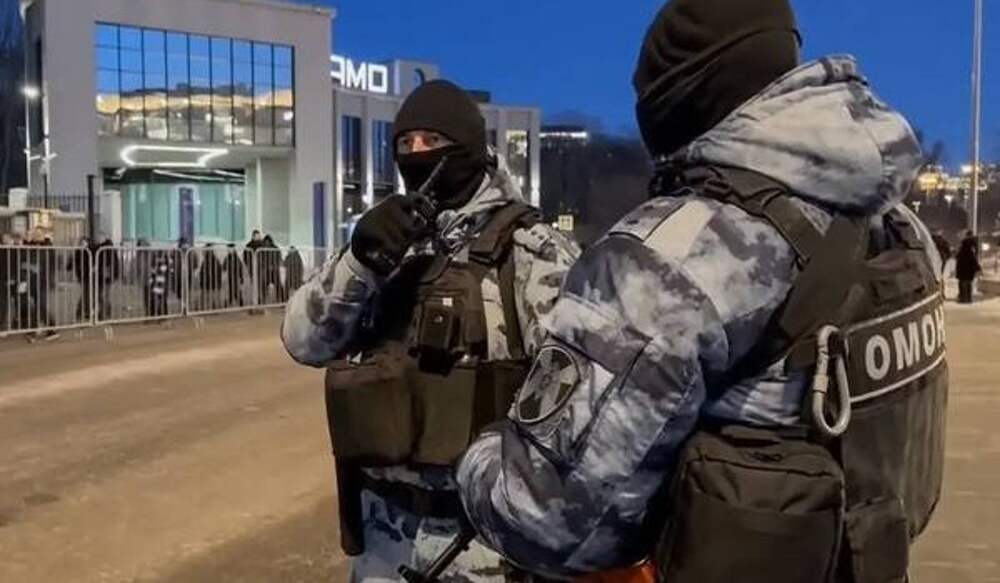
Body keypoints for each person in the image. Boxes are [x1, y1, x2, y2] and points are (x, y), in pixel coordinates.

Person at [456, 1, 948, 581]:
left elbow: (549, 522)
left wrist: (480, 456)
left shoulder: (670, 257)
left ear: (675, 94)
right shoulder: (899, 226)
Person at [281, 79, 580, 582]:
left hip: (484, 549)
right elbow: (303, 341)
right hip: (383, 544)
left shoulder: (532, 251)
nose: (417, 153)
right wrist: (359, 261)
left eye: (432, 140)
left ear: (469, 146)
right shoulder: (390, 244)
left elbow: (579, 405)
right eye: (405, 142)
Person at [956, 230, 981, 304]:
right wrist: (977, 267)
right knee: (968, 283)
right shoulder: (971, 247)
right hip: (969, 269)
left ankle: (963, 298)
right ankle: (968, 298)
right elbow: (973, 258)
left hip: (962, 269)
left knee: (962, 283)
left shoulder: (963, 247)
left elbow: (957, 257)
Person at [224, 243, 246, 308]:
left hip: (235, 276)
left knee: (236, 289)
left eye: (229, 249)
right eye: (228, 249)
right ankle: (234, 301)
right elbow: (224, 266)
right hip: (230, 276)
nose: (228, 250)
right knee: (231, 289)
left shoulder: (236, 258)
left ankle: (239, 302)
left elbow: (240, 267)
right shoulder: (228, 257)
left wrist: (241, 277)